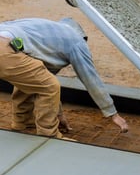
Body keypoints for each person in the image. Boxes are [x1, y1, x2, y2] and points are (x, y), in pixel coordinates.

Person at [0, 17, 128, 139]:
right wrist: (113, 113)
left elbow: (38, 79)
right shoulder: (76, 41)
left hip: (6, 42)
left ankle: (22, 122)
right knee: (50, 86)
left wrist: (58, 113)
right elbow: (91, 79)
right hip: (5, 48)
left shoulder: (45, 33)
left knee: (33, 80)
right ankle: (48, 134)